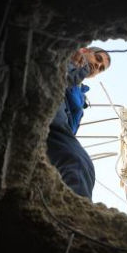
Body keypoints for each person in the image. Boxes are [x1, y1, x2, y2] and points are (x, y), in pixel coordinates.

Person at [46, 46, 111, 199]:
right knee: (79, 163)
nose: (97, 66)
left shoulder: (82, 94)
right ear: (84, 50)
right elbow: (56, 80)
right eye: (98, 59)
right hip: (52, 124)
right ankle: (73, 217)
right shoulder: (64, 61)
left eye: (101, 68)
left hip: (60, 136)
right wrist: (72, 66)